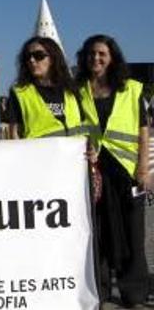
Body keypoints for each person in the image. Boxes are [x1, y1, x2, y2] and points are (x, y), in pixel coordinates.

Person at [75, 34, 150, 307]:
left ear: (112, 57)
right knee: (98, 232)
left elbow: (144, 131)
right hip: (93, 170)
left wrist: (144, 169)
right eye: (91, 53)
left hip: (126, 170)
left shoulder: (132, 88)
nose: (96, 58)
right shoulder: (77, 89)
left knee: (133, 232)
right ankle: (101, 291)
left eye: (102, 54)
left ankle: (134, 293)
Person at [4, 36, 84, 139]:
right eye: (28, 57)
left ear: (52, 59)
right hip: (39, 153)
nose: (32, 60)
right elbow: (14, 133)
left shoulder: (71, 90)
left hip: (73, 153)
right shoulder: (19, 92)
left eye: (39, 56)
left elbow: (83, 125)